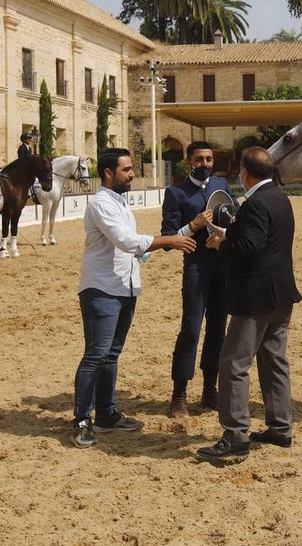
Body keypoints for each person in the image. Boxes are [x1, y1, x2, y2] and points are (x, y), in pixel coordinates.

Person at [72, 147, 196, 449]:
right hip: (101, 289)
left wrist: (189, 229)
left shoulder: (120, 204)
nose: (131, 175)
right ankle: (81, 420)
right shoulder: (101, 204)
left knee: (110, 355)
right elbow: (128, 242)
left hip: (124, 287)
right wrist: (168, 240)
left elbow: (135, 251)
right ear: (108, 173)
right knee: (95, 355)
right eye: (127, 170)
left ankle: (106, 414)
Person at [197, 147, 302, 463]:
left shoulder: (255, 203)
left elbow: (249, 248)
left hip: (256, 297)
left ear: (245, 172)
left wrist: (222, 242)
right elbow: (266, 242)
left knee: (233, 363)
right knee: (273, 360)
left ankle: (235, 435)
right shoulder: (280, 198)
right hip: (281, 293)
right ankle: (280, 427)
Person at [161, 140, 234, 417]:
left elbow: (235, 217)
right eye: (200, 160)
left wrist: (225, 233)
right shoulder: (176, 192)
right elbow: (168, 239)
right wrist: (193, 226)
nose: (205, 164)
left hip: (222, 266)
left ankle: (209, 390)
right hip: (195, 268)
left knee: (217, 329)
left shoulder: (222, 186)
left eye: (209, 160)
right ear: (188, 161)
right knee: (190, 329)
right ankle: (179, 395)